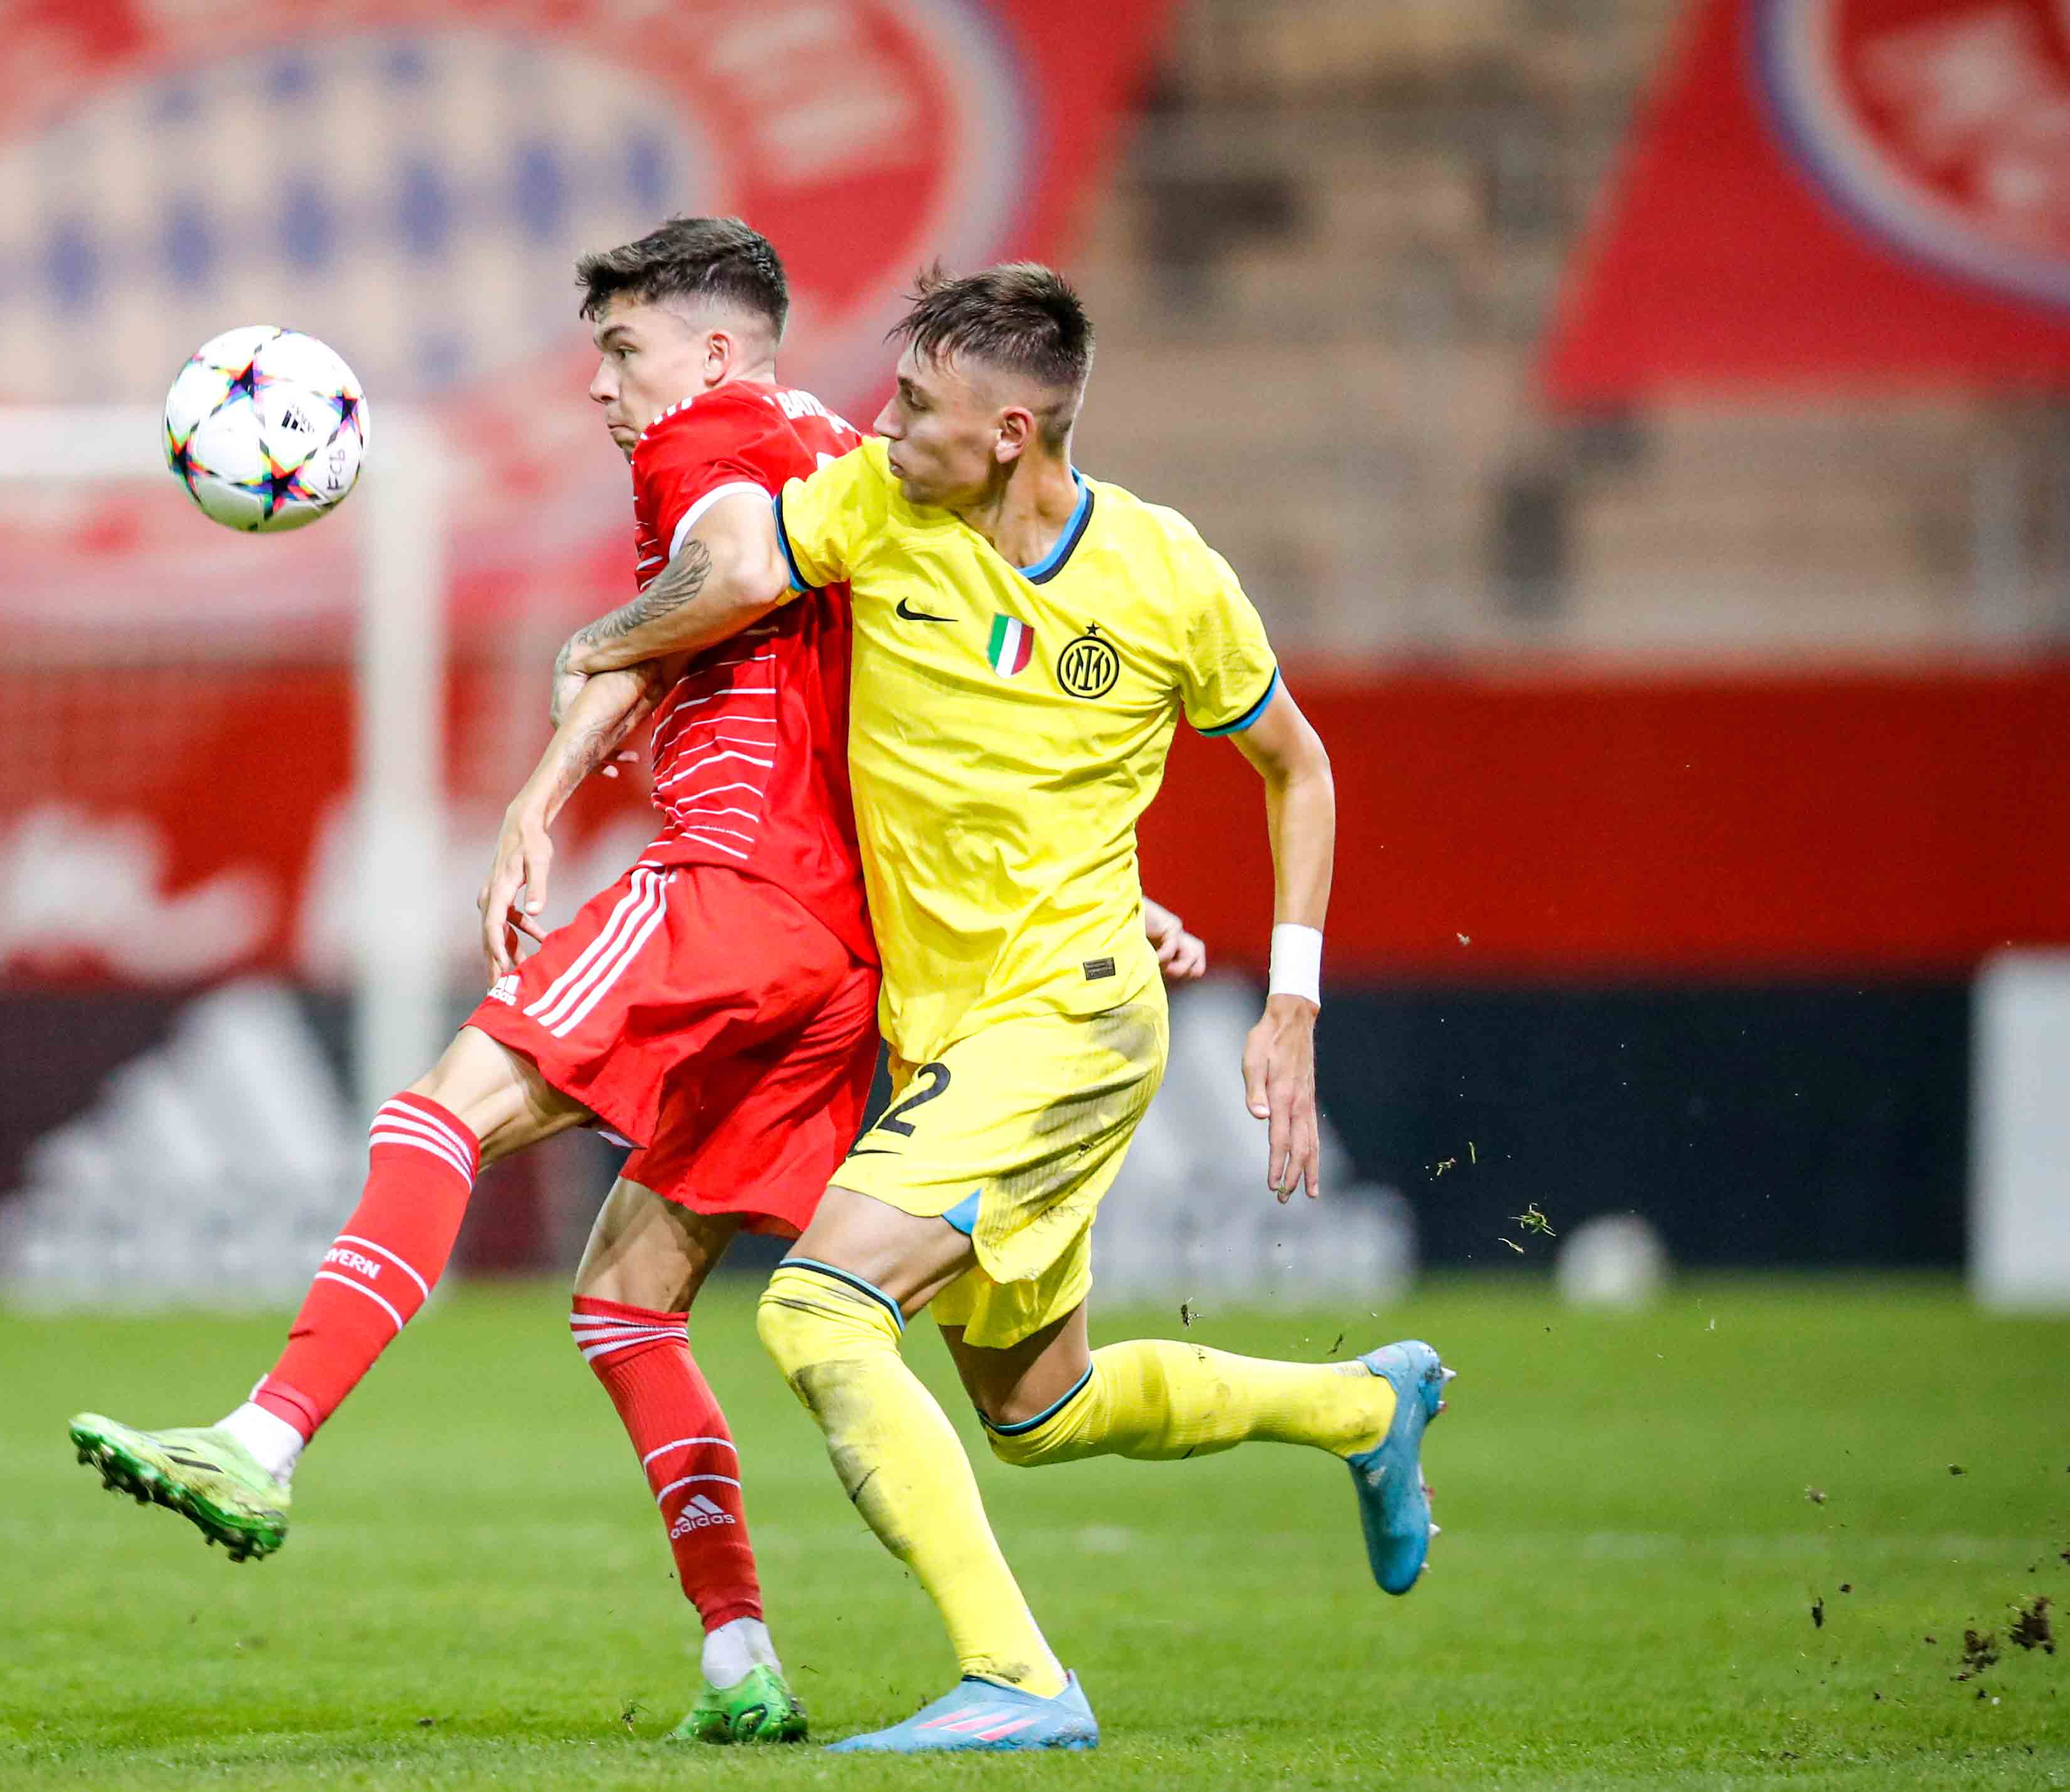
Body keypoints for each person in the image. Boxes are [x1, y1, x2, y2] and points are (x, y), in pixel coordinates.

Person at [69, 217, 1219, 1743]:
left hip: (730, 889)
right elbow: (972, 689)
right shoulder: (851, 460)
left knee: (433, 1116)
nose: (607, 388)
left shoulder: (709, 434)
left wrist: (567, 715)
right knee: (626, 1301)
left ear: (716, 348)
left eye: (623, 349)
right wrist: (1109, 893)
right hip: (841, 965)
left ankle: (262, 1439)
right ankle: (741, 1661)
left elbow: (725, 570)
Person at [553, 262, 1451, 1754]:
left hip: (1072, 1020)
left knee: (821, 1313)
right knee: (1042, 1411)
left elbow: (1298, 763)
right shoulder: (874, 510)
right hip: (946, 1033)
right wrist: (600, 643)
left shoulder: (1166, 578)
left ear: (1015, 431)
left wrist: (1291, 1003)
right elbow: (728, 578)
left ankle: (1022, 1680)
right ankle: (1365, 1410)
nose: (886, 424)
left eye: (917, 407)